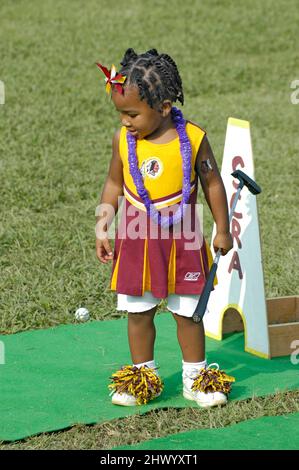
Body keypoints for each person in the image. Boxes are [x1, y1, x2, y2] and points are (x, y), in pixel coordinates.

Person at [95, 48, 234, 408]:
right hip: (137, 238)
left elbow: (213, 183)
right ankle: (143, 378)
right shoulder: (122, 141)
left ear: (165, 106)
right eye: (120, 114)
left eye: (132, 113)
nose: (125, 121)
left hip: (184, 237)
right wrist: (103, 224)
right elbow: (113, 184)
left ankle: (196, 378)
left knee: (188, 313)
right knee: (138, 313)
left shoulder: (193, 137)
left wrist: (222, 228)